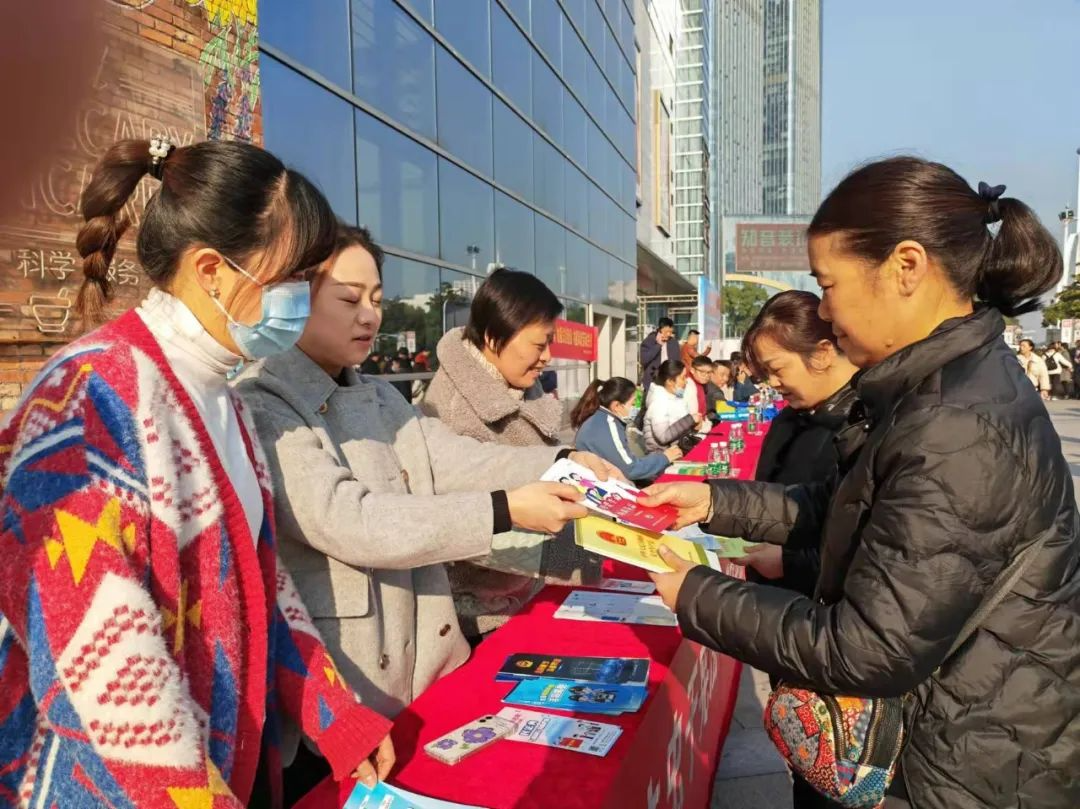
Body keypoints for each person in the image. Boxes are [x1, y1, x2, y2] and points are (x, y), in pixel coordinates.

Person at [641, 157, 1079, 808]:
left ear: (906, 267)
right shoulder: (933, 388)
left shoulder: (958, 425)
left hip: (963, 770)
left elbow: (867, 647)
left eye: (829, 283)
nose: (823, 308)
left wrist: (691, 592)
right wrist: (711, 500)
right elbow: (838, 505)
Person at [0, 139, 396, 808]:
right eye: (291, 278)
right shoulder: (86, 402)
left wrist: (335, 712)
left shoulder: (223, 399)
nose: (302, 298)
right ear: (212, 268)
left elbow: (258, 588)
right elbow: (103, 670)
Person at [234, 226, 613, 792]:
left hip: (433, 672)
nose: (369, 316)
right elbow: (355, 521)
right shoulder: (263, 403)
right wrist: (504, 511)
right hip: (350, 694)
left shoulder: (381, 397)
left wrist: (561, 459)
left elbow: (456, 460)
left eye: (379, 299)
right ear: (295, 296)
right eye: (349, 299)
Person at [731, 290, 860, 809]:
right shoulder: (791, 417)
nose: (771, 383)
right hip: (783, 617)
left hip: (830, 630)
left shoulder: (859, 429)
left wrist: (783, 560)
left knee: (835, 767)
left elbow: (857, 549)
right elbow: (776, 502)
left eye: (776, 367)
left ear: (824, 351)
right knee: (803, 751)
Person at [423, 269, 604, 636]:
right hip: (480, 615)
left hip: (527, 591)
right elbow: (466, 525)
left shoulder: (517, 384)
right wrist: (580, 555)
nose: (548, 358)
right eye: (539, 346)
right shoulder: (453, 410)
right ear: (493, 337)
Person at [571, 377, 682, 484]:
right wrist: (665, 457)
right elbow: (631, 469)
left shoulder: (600, 418)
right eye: (633, 404)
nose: (636, 409)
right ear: (617, 406)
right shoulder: (609, 424)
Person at [643, 360, 704, 451]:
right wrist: (690, 419)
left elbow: (679, 428)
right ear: (670, 381)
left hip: (676, 451)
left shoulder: (675, 398)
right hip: (662, 456)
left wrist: (694, 426)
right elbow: (663, 437)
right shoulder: (659, 402)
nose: (686, 382)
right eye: (683, 378)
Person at [639, 316, 680, 394]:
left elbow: (677, 361)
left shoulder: (673, 342)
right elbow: (644, 360)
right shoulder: (649, 341)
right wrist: (658, 345)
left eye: (671, 332)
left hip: (670, 379)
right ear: (660, 329)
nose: (668, 334)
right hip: (653, 379)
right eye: (666, 331)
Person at [684, 355, 713, 421]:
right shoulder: (688, 385)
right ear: (692, 370)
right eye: (702, 372)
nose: (706, 376)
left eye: (709, 372)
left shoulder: (700, 383)